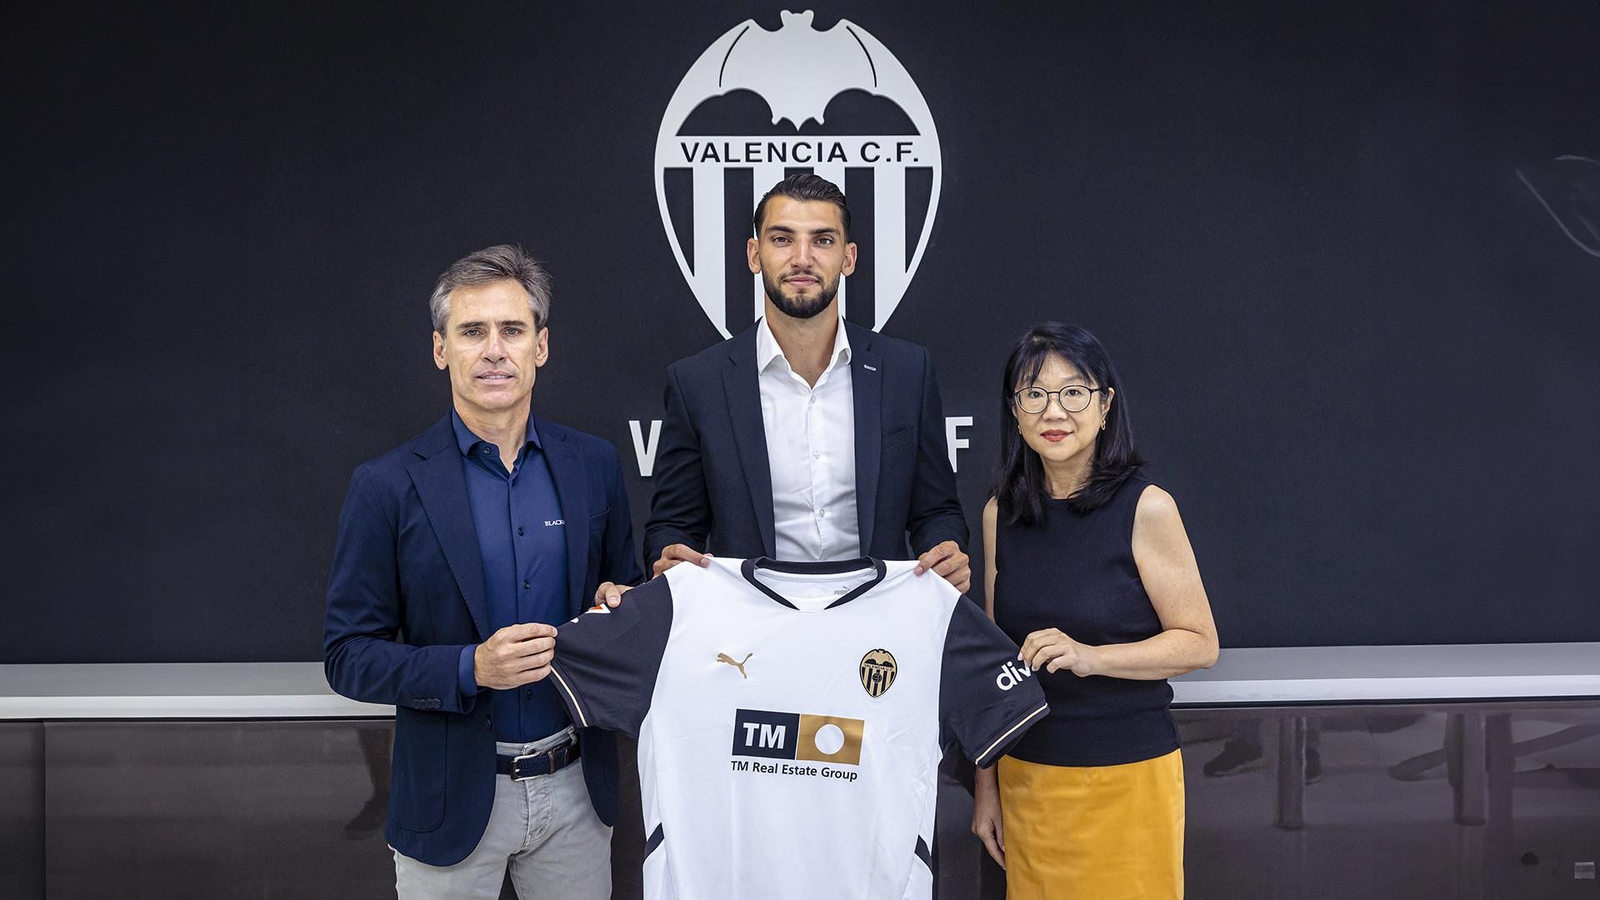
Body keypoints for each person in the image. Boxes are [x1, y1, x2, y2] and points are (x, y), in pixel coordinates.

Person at [324, 245, 642, 898]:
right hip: (450, 800)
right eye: (472, 331)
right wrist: (472, 668)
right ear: (441, 349)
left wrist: (624, 605)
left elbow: (623, 594)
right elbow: (348, 655)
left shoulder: (594, 466)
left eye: (512, 330)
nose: (494, 350)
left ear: (541, 346)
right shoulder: (386, 486)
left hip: (578, 795)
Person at [597, 173, 969, 605]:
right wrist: (671, 558)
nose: (802, 258)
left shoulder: (907, 371)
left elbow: (936, 510)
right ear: (755, 254)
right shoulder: (698, 383)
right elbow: (674, 526)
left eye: (823, 240)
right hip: (748, 636)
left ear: (849, 258)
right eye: (782, 239)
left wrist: (944, 551)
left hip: (880, 626)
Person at [969, 322, 1218, 900]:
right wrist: (987, 787)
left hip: (1127, 778)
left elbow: (1199, 643)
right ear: (1015, 412)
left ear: (1105, 405)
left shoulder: (1147, 508)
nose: (1054, 410)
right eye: (1034, 394)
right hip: (1028, 779)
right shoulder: (999, 514)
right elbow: (993, 666)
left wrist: (1090, 656)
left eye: (1073, 392)